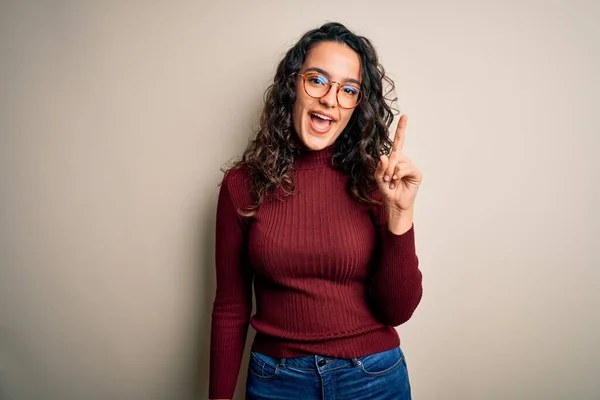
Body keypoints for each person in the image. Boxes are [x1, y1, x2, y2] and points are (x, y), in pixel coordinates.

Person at [209, 22, 423, 400]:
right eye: (318, 80)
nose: (330, 99)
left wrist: (401, 215)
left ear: (357, 106)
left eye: (348, 90)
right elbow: (230, 306)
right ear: (293, 84)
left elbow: (397, 310)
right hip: (278, 381)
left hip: (372, 377)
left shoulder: (376, 181)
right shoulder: (243, 185)